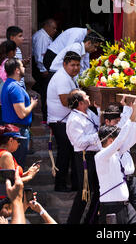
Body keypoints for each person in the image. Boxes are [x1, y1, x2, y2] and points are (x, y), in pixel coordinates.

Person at [95, 98, 136, 224]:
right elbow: (121, 139)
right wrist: (131, 115)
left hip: (125, 205)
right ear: (110, 140)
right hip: (112, 206)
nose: (117, 141)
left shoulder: (117, 153)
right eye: (115, 139)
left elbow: (131, 138)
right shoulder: (101, 156)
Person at [47, 51, 81, 192]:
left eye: (78, 65)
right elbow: (64, 101)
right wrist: (83, 104)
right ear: (64, 64)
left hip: (67, 121)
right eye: (72, 65)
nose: (75, 68)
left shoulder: (69, 77)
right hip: (60, 122)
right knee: (65, 152)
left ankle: (74, 184)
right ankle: (60, 184)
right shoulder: (62, 77)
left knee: (71, 153)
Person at [66, 89, 101, 224]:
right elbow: (79, 142)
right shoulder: (74, 119)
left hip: (94, 154)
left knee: (98, 190)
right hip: (85, 157)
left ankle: (90, 220)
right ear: (80, 103)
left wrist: (99, 110)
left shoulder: (88, 112)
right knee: (84, 192)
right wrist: (98, 135)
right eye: (86, 96)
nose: (88, 97)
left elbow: (97, 123)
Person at [0, 58, 38, 168]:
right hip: (18, 131)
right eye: (22, 66)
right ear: (17, 70)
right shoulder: (15, 88)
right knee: (17, 166)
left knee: (13, 166)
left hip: (14, 130)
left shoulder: (8, 84)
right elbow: (21, 113)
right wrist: (32, 104)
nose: (24, 68)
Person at [0, 124, 40, 194]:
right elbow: (12, 183)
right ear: (11, 140)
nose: (19, 144)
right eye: (18, 140)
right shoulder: (6, 155)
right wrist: (30, 176)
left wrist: (27, 173)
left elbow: (6, 177)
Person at [32, 18, 58, 122]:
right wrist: (43, 69)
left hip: (44, 68)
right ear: (46, 26)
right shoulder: (42, 37)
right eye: (53, 28)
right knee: (42, 92)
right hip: (41, 70)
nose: (55, 30)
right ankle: (42, 117)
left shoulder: (46, 36)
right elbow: (39, 55)